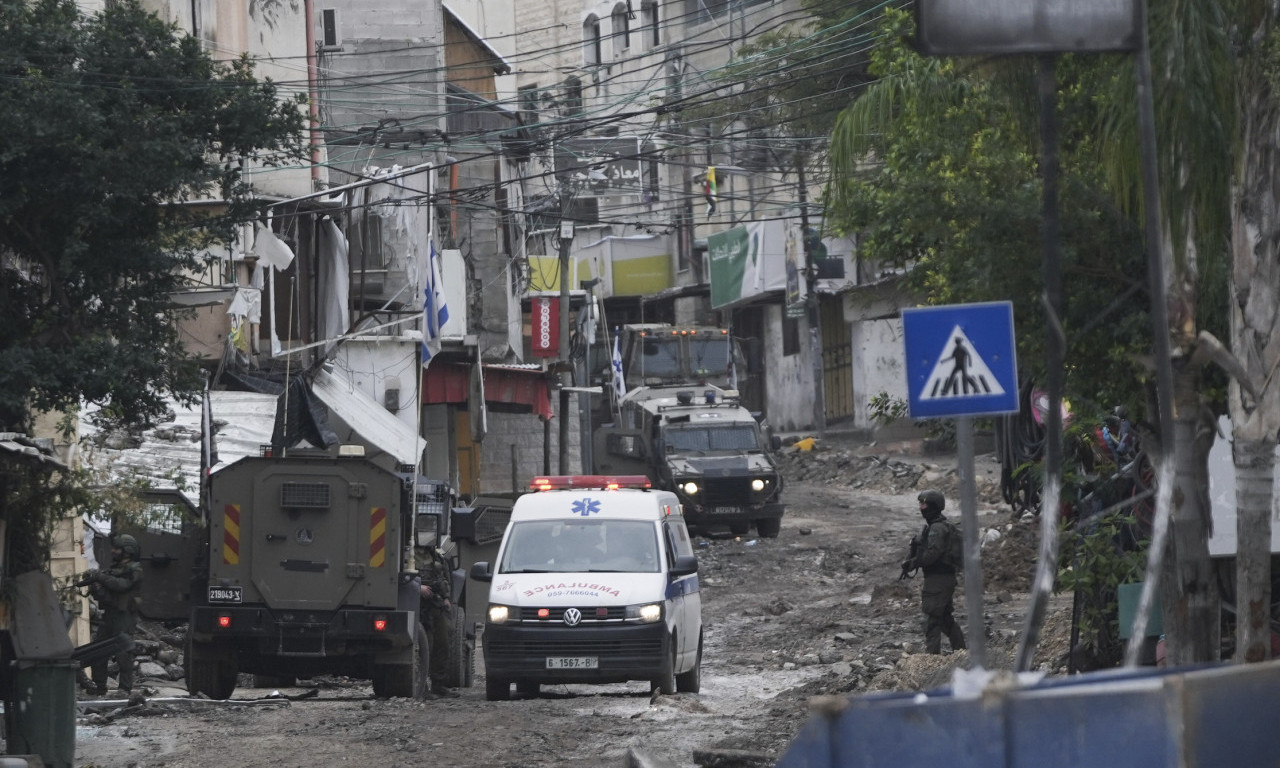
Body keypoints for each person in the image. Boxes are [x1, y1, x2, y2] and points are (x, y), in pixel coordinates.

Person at [902, 490, 967, 655]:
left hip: (938, 580)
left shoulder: (937, 528)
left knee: (930, 620)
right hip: (942, 579)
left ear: (932, 506)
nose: (921, 507)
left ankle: (932, 660)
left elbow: (933, 554)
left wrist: (913, 563)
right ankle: (961, 654)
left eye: (923, 504)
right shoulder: (937, 526)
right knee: (945, 620)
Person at [87, 533, 144, 695]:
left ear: (127, 551)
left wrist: (100, 577)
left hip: (124, 617)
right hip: (109, 615)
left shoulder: (135, 569)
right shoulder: (112, 570)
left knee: (123, 653)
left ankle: (124, 688)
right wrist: (95, 586)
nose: (113, 551)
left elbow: (120, 586)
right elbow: (106, 592)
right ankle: (99, 686)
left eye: (117, 549)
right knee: (98, 650)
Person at [417, 544, 458, 698]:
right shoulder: (408, 553)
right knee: (426, 645)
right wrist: (418, 587)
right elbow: (400, 576)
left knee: (443, 643)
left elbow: (444, 578)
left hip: (436, 603)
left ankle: (439, 685)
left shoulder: (437, 555)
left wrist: (446, 598)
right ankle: (423, 687)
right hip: (419, 606)